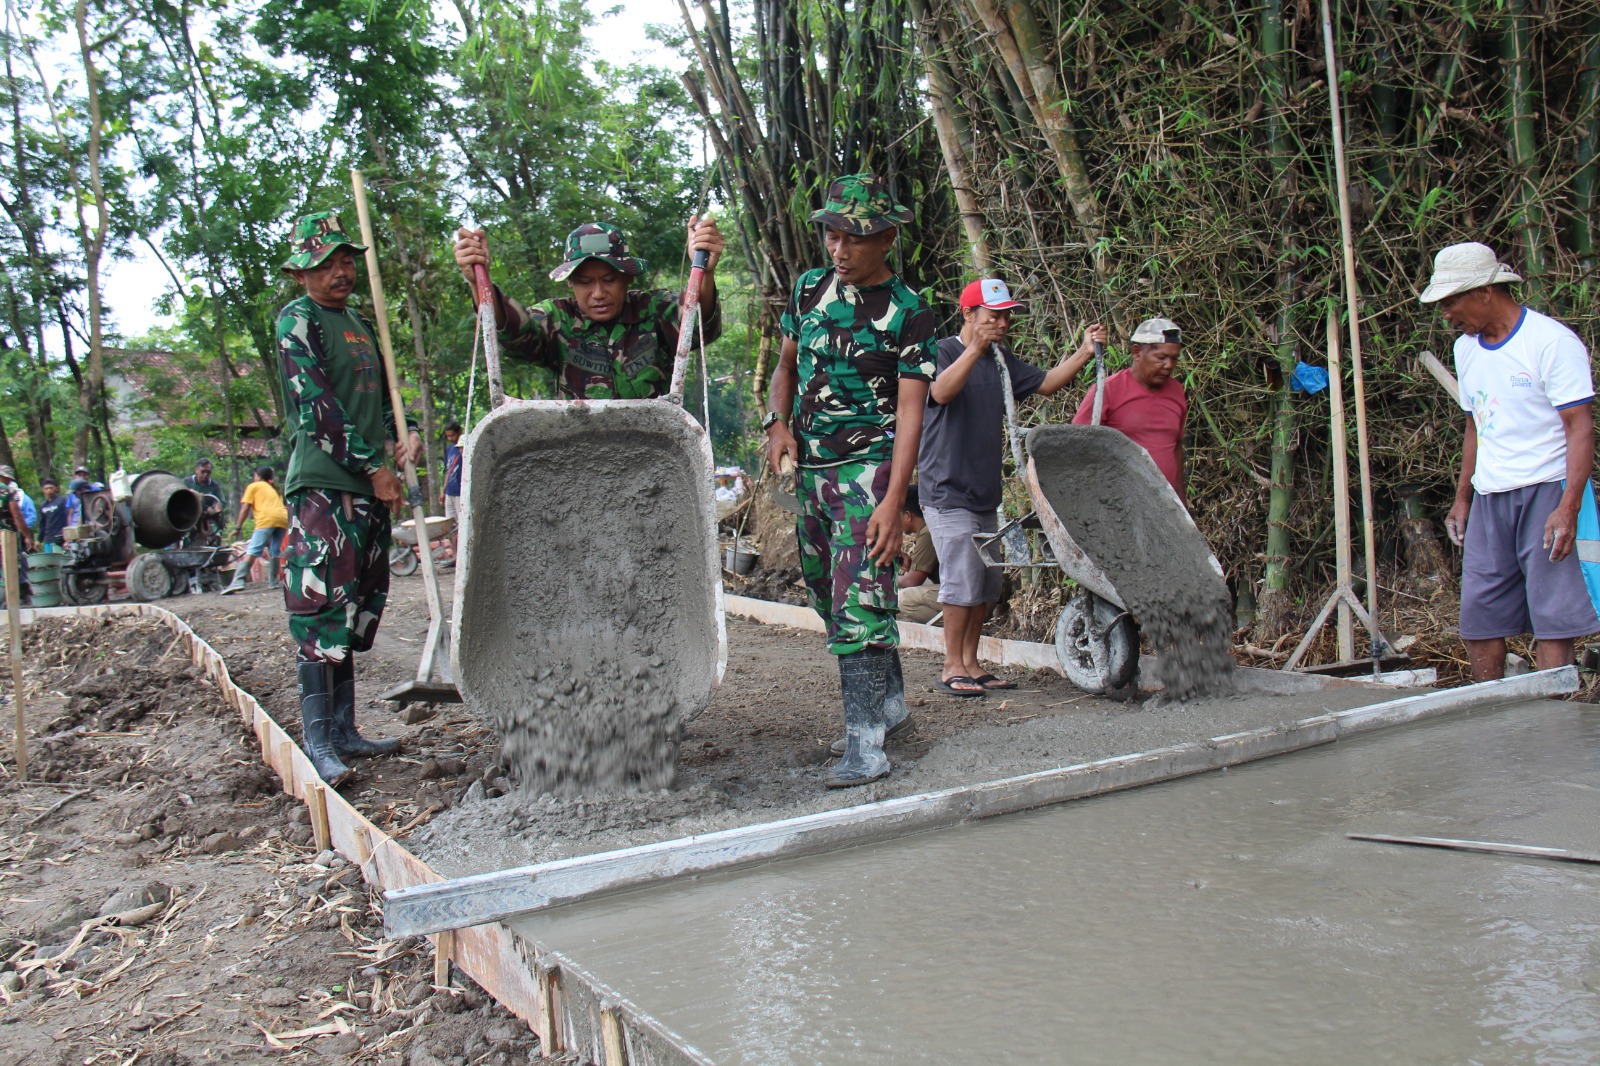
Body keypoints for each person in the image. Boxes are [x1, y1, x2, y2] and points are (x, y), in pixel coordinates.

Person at [763, 173, 935, 788]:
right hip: (811, 471)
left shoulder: (910, 311)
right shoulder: (809, 289)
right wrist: (777, 424)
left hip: (870, 473)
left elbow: (913, 409)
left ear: (887, 237)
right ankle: (889, 708)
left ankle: (866, 748)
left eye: (855, 238)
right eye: (833, 234)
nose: (839, 249)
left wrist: (895, 498)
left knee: (858, 595)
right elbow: (786, 365)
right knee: (823, 591)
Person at [277, 210, 423, 785]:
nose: (339, 272)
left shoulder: (361, 323)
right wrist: (371, 466)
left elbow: (383, 399)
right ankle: (318, 742)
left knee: (356, 604)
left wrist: (401, 432)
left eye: (346, 261)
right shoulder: (299, 320)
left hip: (367, 491)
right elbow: (317, 408)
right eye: (325, 263)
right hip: (326, 486)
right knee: (321, 607)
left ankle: (345, 731)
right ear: (302, 272)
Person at [1419, 242, 1599, 681]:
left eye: (1450, 301)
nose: (1445, 313)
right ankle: (1489, 717)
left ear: (1484, 291)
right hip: (1490, 494)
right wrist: (1464, 497)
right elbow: (1476, 425)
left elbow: (1580, 428)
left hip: (1547, 489)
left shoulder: (1551, 343)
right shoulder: (1467, 349)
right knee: (1481, 616)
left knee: (1553, 616)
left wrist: (1568, 507)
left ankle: (1556, 720)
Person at [922, 278, 1106, 696]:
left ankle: (971, 661)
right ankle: (952, 665)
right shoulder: (944, 351)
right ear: (968, 313)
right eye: (993, 315)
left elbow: (1045, 384)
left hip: (985, 489)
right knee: (962, 581)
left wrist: (1083, 349)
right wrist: (974, 349)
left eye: (1006, 316)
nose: (1002, 323)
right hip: (947, 488)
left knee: (986, 584)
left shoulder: (1001, 359)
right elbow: (940, 392)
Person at [451, 218, 725, 399]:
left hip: (655, 454)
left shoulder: (653, 310)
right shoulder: (557, 320)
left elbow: (697, 325)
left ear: (627, 278)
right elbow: (516, 332)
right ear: (570, 283)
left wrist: (705, 270)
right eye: (584, 282)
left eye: (609, 280)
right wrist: (478, 281)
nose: (598, 294)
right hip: (580, 460)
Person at [1072, 317, 1188, 505]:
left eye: (1174, 358)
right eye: (1161, 358)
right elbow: (1077, 444)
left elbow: (1175, 448)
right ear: (1136, 352)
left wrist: (1181, 503)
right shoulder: (1107, 390)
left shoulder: (1176, 391)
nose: (1169, 365)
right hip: (1121, 503)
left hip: (1165, 503)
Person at [222, 466, 289, 595]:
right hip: (282, 519)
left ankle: (238, 581)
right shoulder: (274, 489)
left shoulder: (254, 486)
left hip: (266, 519)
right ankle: (273, 582)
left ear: (258, 476)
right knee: (275, 550)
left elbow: (245, 508)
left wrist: (237, 527)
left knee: (253, 550)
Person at [895, 486, 940, 624]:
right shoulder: (929, 527)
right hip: (967, 595)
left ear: (908, 516)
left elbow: (912, 582)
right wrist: (909, 567)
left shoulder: (927, 533)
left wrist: (884, 579)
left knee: (904, 600)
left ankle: (961, 623)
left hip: (966, 599)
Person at [0, 466, 34, 604]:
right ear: (6, 477)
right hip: (6, 536)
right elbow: (17, 516)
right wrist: (27, 536)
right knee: (12, 566)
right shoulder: (7, 491)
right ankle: (13, 599)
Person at [183, 459, 229, 544]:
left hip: (208, 516)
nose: (205, 474)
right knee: (184, 533)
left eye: (208, 472)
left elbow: (221, 501)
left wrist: (214, 509)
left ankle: (215, 548)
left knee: (216, 533)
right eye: (203, 471)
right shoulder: (187, 482)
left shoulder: (214, 485)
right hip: (190, 514)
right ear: (196, 470)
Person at [37, 478, 71, 549]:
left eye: (51, 488)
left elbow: (69, 517)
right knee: (49, 559)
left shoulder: (62, 500)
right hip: (48, 539)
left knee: (59, 559)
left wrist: (68, 538)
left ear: (56, 488)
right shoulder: (43, 505)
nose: (49, 491)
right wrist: (38, 540)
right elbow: (42, 523)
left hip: (60, 538)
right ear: (43, 490)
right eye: (46, 488)